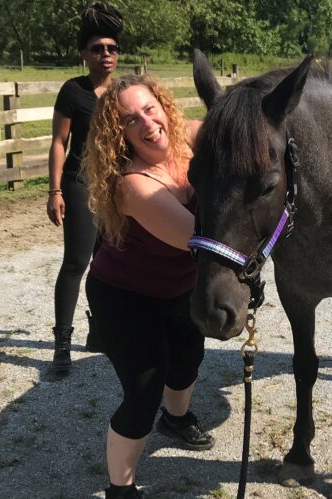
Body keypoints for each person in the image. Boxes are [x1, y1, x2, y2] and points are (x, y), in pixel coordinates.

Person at [81, 73, 213, 499]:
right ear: (118, 133)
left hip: (180, 286)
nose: (147, 123)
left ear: (163, 106)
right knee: (143, 391)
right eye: (130, 119)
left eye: (149, 109)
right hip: (125, 296)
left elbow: (247, 132)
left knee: (188, 359)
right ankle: (120, 489)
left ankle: (175, 420)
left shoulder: (191, 136)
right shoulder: (133, 185)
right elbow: (198, 239)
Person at [46, 3, 122, 376]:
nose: (105, 54)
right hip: (80, 185)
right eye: (97, 48)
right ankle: (62, 343)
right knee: (77, 262)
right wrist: (54, 191)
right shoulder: (73, 91)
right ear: (84, 54)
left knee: (112, 264)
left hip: (117, 189)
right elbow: (59, 142)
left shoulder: (125, 92)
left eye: (111, 48)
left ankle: (103, 330)